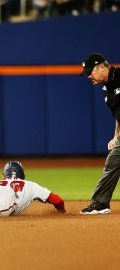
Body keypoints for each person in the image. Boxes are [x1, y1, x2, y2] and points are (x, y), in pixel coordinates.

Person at [80, 52, 120, 214]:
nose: (89, 76)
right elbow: (119, 114)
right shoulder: (106, 89)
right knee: (113, 162)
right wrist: (116, 136)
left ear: (102, 67)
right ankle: (101, 203)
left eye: (91, 71)